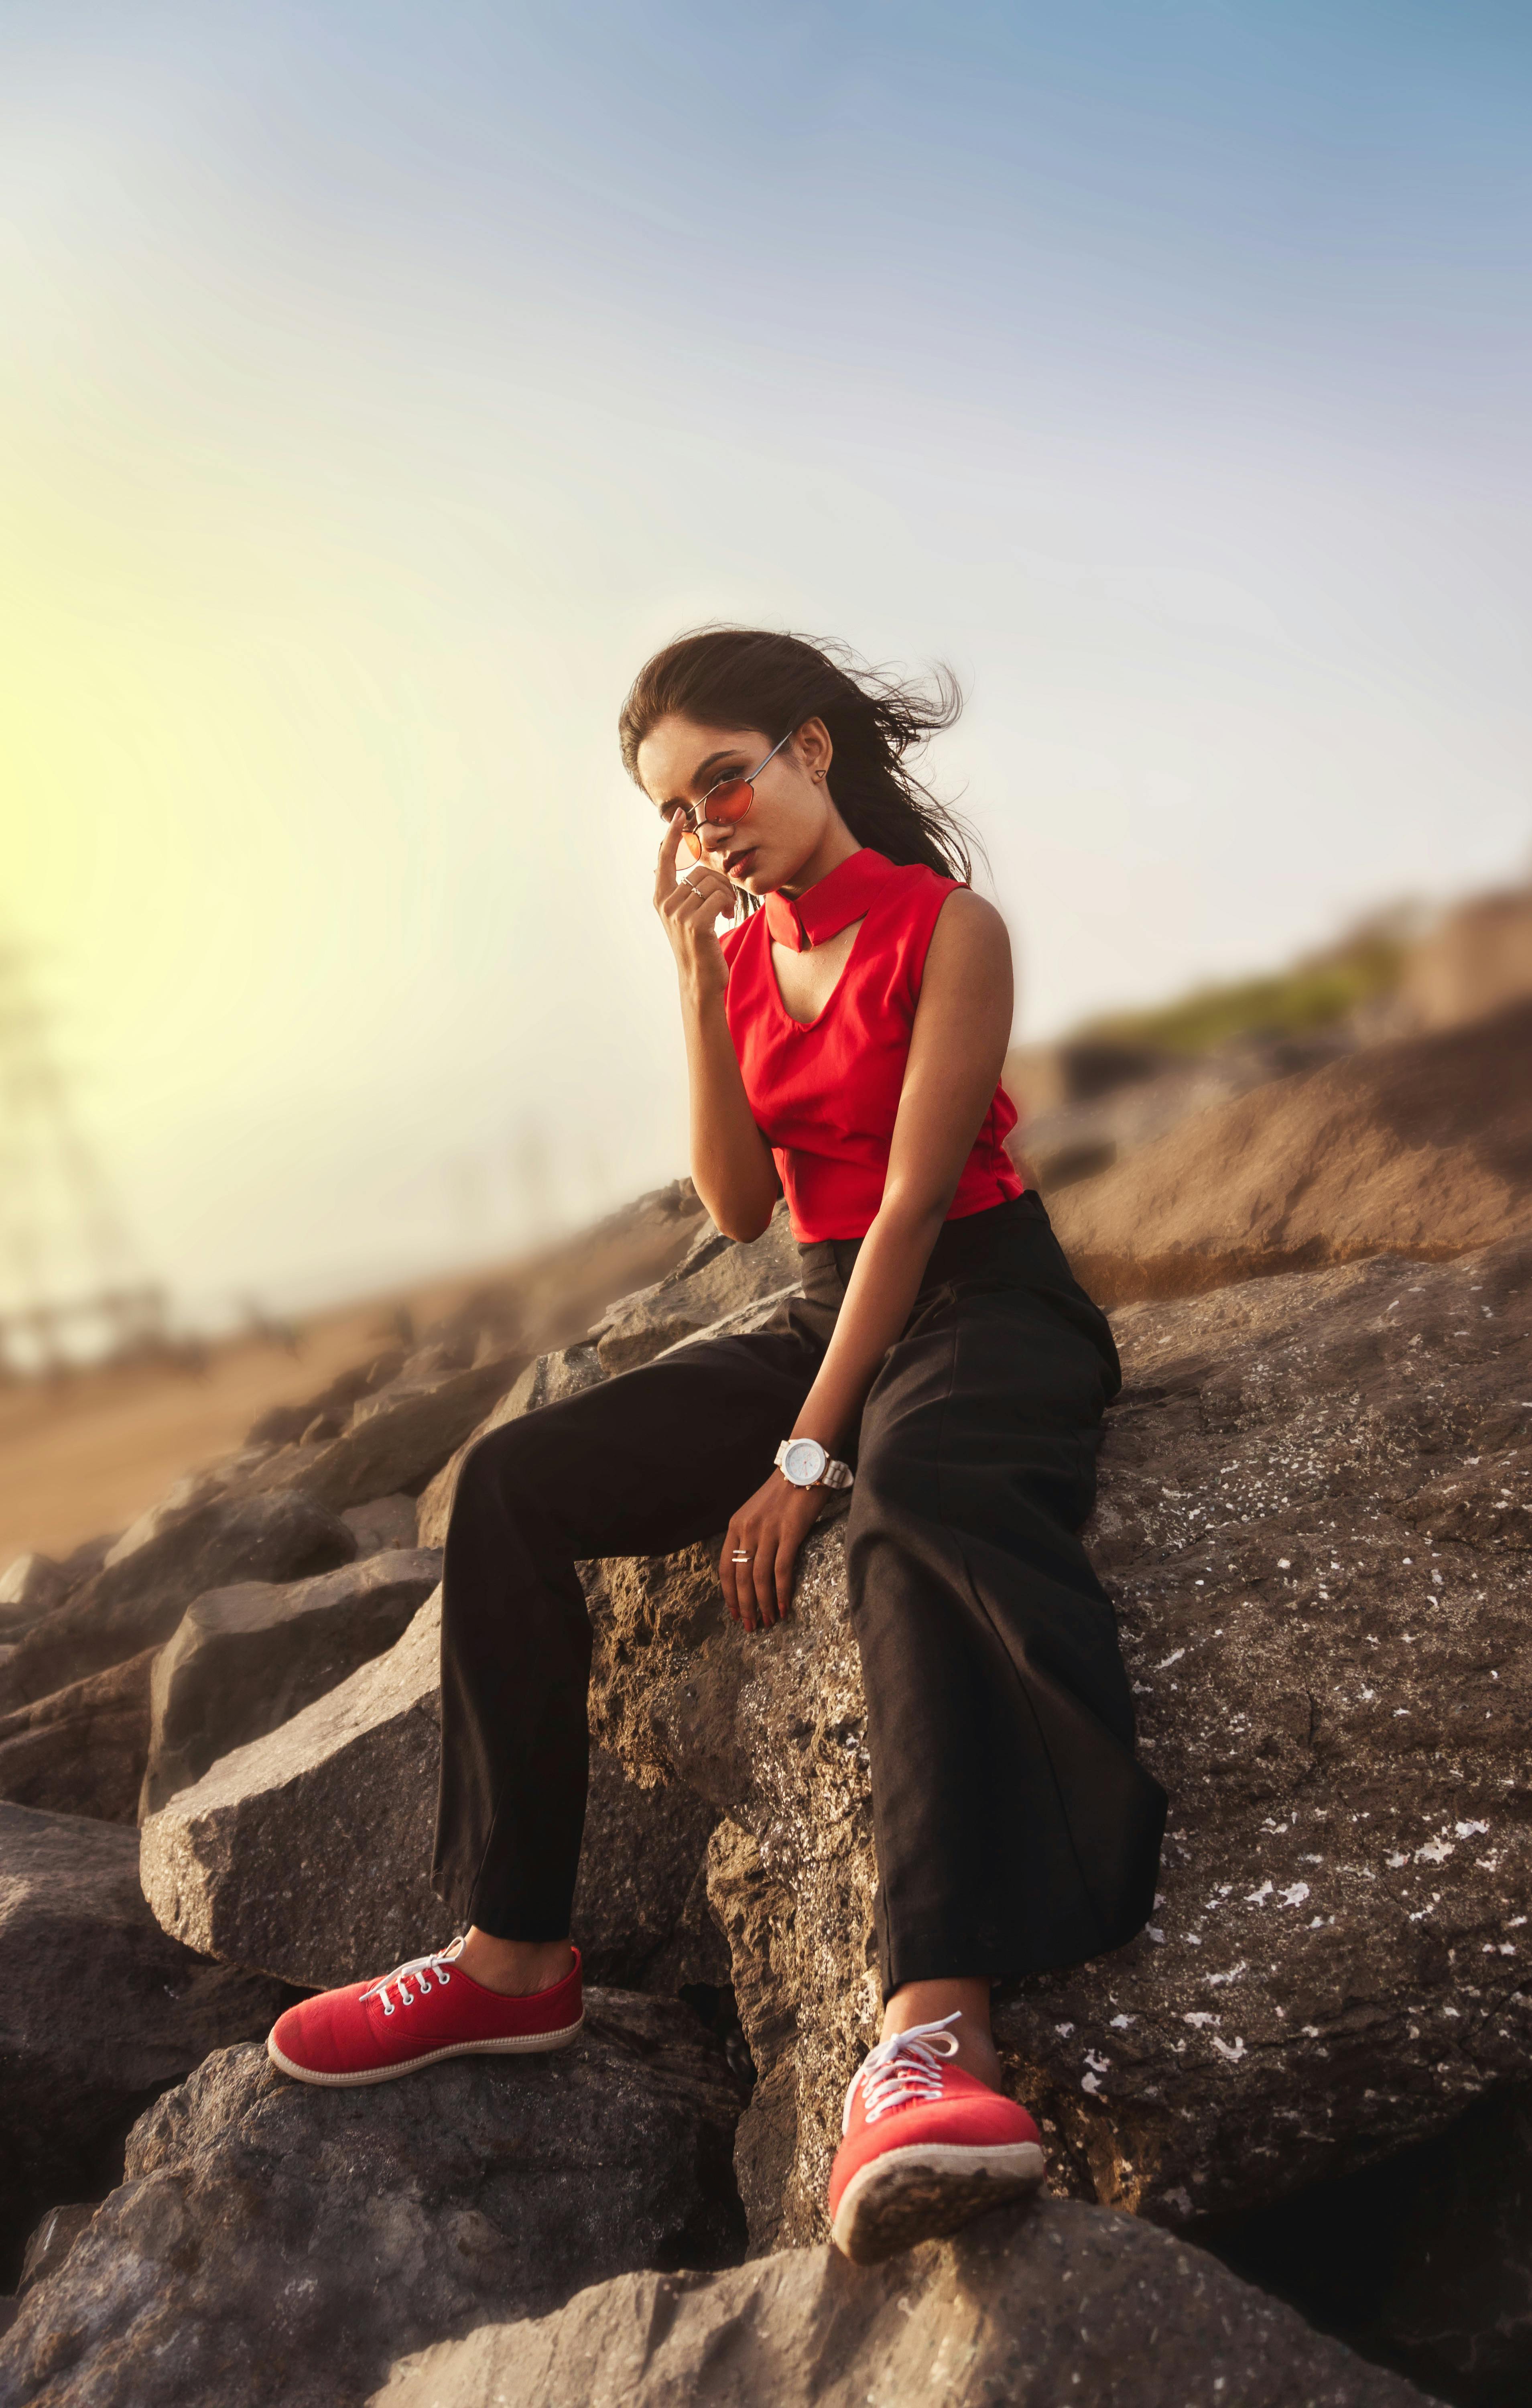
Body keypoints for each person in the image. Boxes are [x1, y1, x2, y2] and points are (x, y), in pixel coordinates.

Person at [267, 628, 1167, 2265]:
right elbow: (744, 1208)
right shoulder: (750, 954)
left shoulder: (945, 930)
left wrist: (806, 1458)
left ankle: (933, 2036)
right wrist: (691, 976)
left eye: (725, 778)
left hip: (978, 1298)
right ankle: (512, 1960)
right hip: (820, 1302)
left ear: (811, 751)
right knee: (519, 1485)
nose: (709, 825)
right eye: (679, 809)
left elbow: (907, 1207)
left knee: (907, 1512)